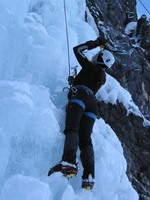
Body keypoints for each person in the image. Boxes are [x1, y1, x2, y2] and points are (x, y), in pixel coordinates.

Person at [48, 36, 115, 190]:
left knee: (72, 128)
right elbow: (87, 83)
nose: (91, 57)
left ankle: (69, 162)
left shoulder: (91, 67)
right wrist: (76, 81)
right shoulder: (101, 77)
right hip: (92, 105)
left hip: (80, 98)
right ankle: (89, 177)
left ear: (100, 58)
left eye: (95, 56)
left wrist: (96, 43)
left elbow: (77, 50)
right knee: (85, 139)